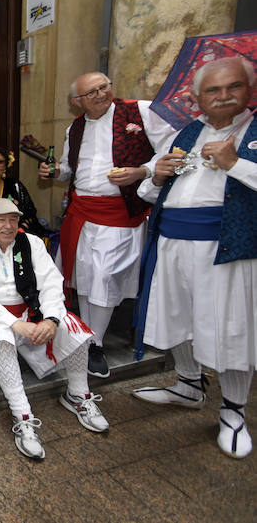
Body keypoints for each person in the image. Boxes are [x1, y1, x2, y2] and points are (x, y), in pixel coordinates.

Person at [131, 56, 257, 459]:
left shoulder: (253, 131)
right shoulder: (185, 132)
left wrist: (233, 163)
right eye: (212, 90)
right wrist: (158, 175)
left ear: (248, 89)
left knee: (230, 325)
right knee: (177, 315)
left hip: (227, 247)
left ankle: (234, 411)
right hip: (172, 242)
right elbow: (148, 195)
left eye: (232, 87)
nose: (222, 96)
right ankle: (188, 384)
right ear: (197, 97)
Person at [38, 72, 175, 378]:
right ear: (78, 102)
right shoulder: (75, 127)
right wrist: (56, 171)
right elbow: (71, 170)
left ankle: (95, 344)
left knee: (103, 275)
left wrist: (140, 171)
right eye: (92, 92)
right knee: (83, 276)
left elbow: (173, 148)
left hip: (118, 213)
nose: (101, 94)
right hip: (81, 212)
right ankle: (84, 334)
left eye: (104, 87)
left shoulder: (141, 111)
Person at [0, 198, 109, 460]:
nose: (8, 226)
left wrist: (50, 319)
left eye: (13, 219)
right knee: (1, 337)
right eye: (1, 220)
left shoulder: (32, 242)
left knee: (75, 327)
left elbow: (51, 283)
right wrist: (15, 324)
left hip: (29, 308)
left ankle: (78, 395)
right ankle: (22, 415)